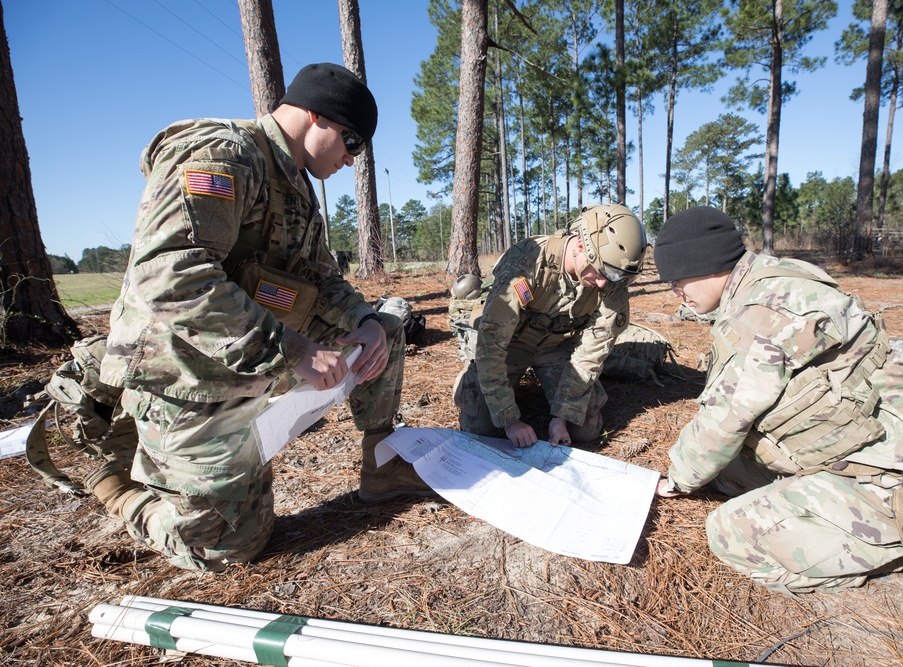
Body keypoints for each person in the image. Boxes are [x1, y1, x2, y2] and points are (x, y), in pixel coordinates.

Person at [89, 63, 432, 572]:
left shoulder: (295, 186)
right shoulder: (223, 153)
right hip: (181, 371)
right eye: (352, 143)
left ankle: (380, 464)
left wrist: (365, 318)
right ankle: (117, 489)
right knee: (229, 549)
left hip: (243, 355)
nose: (352, 160)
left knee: (384, 328)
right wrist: (294, 352)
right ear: (316, 116)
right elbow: (171, 276)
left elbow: (321, 281)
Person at [652, 206, 903, 598]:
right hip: (882, 451)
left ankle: (895, 546)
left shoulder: (757, 317)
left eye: (676, 278)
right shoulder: (776, 277)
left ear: (705, 263)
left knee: (729, 532)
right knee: (729, 472)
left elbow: (725, 419)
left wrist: (678, 478)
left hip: (898, 485)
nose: (675, 290)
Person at [453, 204, 647, 449]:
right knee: (479, 428)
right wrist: (510, 419)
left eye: (613, 276)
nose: (601, 283)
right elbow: (492, 345)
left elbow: (591, 353)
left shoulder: (610, 280)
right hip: (512, 342)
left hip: (557, 345)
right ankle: (470, 377)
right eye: (600, 272)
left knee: (585, 430)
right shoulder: (527, 262)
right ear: (579, 247)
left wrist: (562, 416)